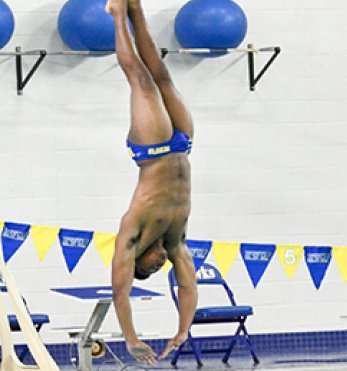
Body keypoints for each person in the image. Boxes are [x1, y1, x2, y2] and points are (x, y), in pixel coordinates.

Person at [107, 0, 198, 365]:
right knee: (161, 74)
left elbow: (119, 290)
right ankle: (136, 9)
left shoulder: (132, 231)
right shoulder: (175, 241)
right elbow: (188, 285)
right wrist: (183, 329)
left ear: (139, 258)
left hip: (153, 149)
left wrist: (130, 339)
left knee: (140, 79)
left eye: (152, 265)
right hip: (181, 144)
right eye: (162, 266)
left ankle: (117, 15)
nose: (161, 262)